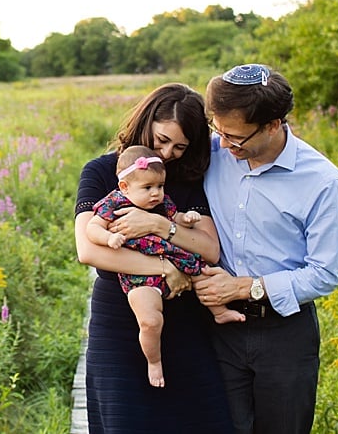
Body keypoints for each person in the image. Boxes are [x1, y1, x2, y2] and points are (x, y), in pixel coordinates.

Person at [192, 64, 338, 434]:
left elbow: (324, 273)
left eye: (237, 138)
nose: (225, 145)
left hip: (285, 335)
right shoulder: (214, 152)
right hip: (218, 327)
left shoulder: (322, 180)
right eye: (219, 131)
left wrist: (245, 287)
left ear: (273, 125)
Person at [75, 83, 234, 434]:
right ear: (146, 121)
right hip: (121, 322)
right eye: (161, 140)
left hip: (185, 325)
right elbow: (88, 249)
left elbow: (209, 249)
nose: (168, 152)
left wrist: (160, 225)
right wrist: (166, 268)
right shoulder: (102, 172)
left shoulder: (187, 179)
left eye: (180, 146)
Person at [86, 145, 244, 387]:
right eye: (148, 188)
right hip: (139, 274)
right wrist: (109, 238)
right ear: (125, 187)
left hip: (176, 258)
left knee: (206, 275)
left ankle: (219, 312)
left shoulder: (161, 203)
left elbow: (176, 217)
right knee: (150, 320)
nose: (156, 194)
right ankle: (154, 361)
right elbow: (92, 228)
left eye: (160, 187)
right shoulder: (113, 203)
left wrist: (187, 218)